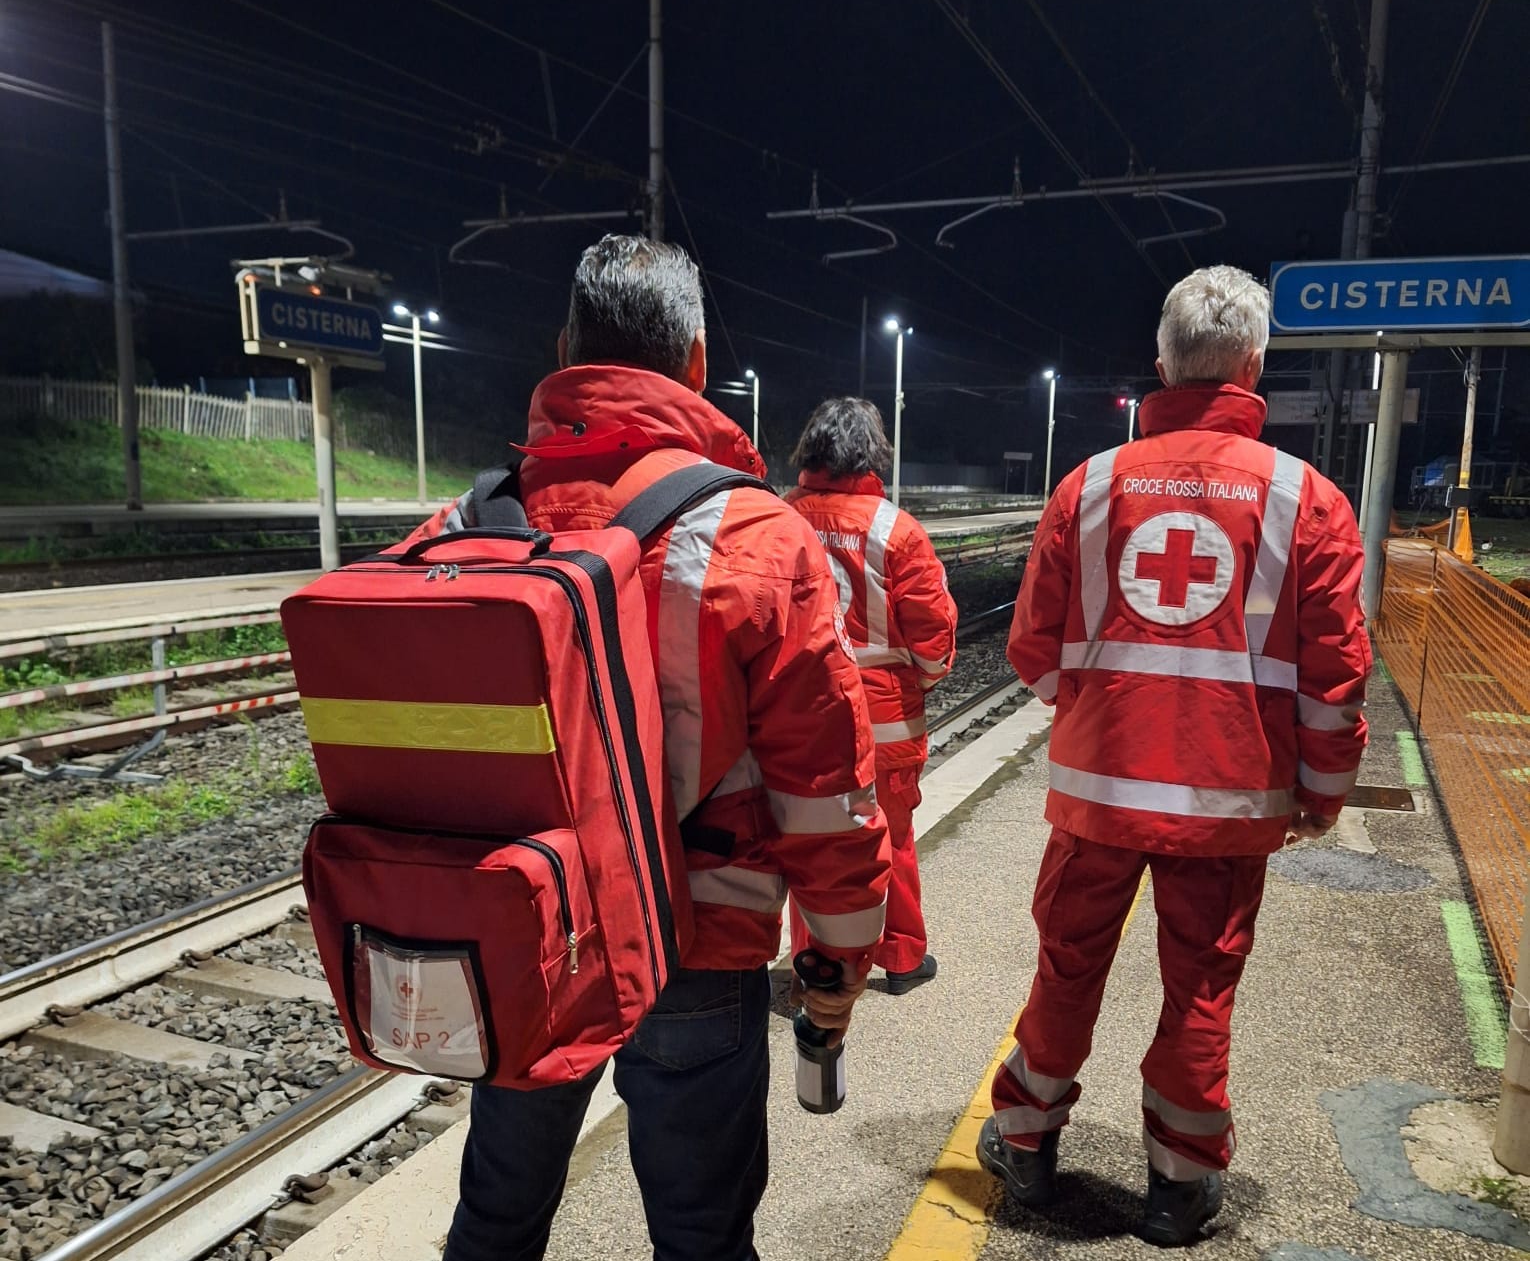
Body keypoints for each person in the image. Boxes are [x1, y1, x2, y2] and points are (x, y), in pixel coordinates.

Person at [422, 236, 892, 1261]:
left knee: (497, 1218)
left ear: (564, 350)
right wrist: (844, 949)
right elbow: (826, 789)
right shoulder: (756, 535)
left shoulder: (466, 521)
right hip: (695, 944)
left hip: (523, 934)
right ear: (694, 361)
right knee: (701, 1237)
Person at [978, 265, 1371, 1247]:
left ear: (1162, 362)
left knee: (1066, 973)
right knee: (1202, 988)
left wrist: (1089, 721)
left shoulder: (1091, 486)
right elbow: (1335, 680)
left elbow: (1031, 647)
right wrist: (1321, 794)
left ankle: (1024, 1148)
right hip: (1229, 803)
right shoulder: (1306, 500)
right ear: (1254, 364)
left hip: (1097, 797)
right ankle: (1178, 1188)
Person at [785, 397, 957, 993]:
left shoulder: (775, 519)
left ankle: (820, 968)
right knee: (893, 836)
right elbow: (934, 642)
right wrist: (908, 687)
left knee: (813, 847)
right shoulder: (895, 530)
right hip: (885, 725)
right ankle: (903, 958)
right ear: (872, 455)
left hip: (800, 720)